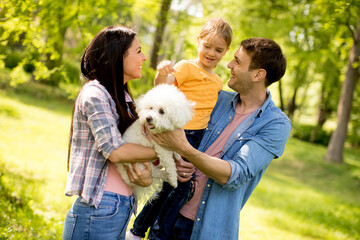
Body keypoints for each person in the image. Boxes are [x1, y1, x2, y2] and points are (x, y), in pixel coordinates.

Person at [149, 37, 291, 239]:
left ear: (258, 74)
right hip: (167, 212)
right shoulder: (216, 98)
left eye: (238, 62)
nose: (229, 65)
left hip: (205, 229)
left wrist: (184, 149)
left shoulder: (275, 124)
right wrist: (176, 159)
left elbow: (233, 174)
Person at [128, 18, 232, 240]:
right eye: (207, 46)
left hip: (198, 138)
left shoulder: (218, 82)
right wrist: (162, 72)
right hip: (180, 133)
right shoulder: (187, 67)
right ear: (198, 42)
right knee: (181, 187)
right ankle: (156, 234)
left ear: (226, 52)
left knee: (172, 186)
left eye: (218, 50)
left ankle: (137, 231)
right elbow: (163, 87)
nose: (211, 53)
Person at [62, 26, 159, 240]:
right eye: (138, 51)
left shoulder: (123, 97)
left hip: (119, 207)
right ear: (118, 55)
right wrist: (161, 151)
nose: (143, 58)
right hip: (99, 208)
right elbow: (115, 150)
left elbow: (136, 145)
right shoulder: (95, 94)